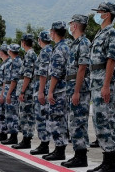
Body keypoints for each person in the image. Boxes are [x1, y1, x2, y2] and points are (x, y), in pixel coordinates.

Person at [89, 1, 115, 172]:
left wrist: (106, 84)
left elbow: (111, 60)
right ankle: (106, 160)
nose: (97, 14)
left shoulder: (112, 33)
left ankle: (111, 163)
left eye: (100, 11)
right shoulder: (101, 33)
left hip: (104, 82)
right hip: (96, 81)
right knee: (99, 121)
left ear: (107, 14)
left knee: (107, 121)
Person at [61, 14, 92, 168]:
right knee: (73, 122)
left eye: (71, 23)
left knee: (79, 123)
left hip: (79, 89)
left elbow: (82, 68)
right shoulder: (75, 44)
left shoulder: (84, 43)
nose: (70, 26)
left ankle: (81, 156)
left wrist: (77, 91)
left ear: (76, 25)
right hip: (72, 86)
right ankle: (77, 154)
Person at [43, 21, 71, 161]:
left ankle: (60, 150)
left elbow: (56, 73)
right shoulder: (65, 47)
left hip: (58, 91)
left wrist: (50, 91)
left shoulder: (59, 49)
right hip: (62, 90)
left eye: (51, 32)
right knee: (59, 120)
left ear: (54, 32)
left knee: (57, 121)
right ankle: (59, 149)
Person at [13, 34, 37, 149]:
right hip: (27, 89)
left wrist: (22, 91)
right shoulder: (29, 54)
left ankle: (26, 140)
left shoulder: (29, 55)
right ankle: (26, 139)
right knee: (26, 115)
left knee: (26, 116)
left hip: (27, 91)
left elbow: (27, 75)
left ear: (23, 42)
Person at [31, 31, 53, 156]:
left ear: (40, 40)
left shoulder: (45, 52)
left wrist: (40, 91)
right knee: (45, 118)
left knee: (41, 118)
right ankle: (44, 144)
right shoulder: (51, 50)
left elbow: (43, 73)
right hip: (45, 89)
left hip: (42, 90)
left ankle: (44, 144)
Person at [2, 43, 23, 145]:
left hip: (13, 92)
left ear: (10, 51)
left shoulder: (15, 62)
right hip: (14, 90)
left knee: (12, 115)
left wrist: (9, 93)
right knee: (11, 114)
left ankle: (13, 137)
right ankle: (12, 136)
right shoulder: (17, 61)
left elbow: (14, 80)